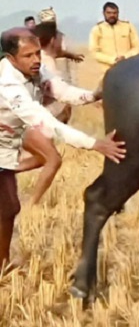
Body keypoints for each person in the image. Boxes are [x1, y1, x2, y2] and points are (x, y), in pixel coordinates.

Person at [0, 28, 126, 271]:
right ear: (10, 58)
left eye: (37, 53)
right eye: (28, 56)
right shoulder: (8, 85)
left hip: (8, 139)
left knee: (8, 208)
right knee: (8, 206)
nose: (36, 60)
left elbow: (63, 91)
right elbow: (46, 122)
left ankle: (2, 264)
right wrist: (95, 144)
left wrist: (95, 93)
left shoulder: (36, 70)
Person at [89, 2, 139, 73]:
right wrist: (113, 60)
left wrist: (125, 57)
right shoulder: (98, 29)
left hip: (127, 68)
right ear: (103, 13)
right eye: (109, 13)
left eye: (114, 13)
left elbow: (136, 47)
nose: (112, 15)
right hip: (107, 71)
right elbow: (94, 52)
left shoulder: (128, 26)